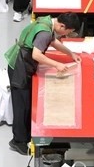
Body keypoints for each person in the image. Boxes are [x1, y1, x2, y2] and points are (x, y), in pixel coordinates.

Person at [5, 13, 80, 156]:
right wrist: (57, 64)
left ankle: (26, 132)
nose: (66, 35)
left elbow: (54, 42)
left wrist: (71, 54)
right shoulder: (45, 32)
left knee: (26, 102)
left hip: (22, 62)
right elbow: (36, 55)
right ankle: (18, 141)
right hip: (19, 67)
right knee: (21, 105)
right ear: (62, 26)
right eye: (67, 32)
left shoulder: (48, 22)